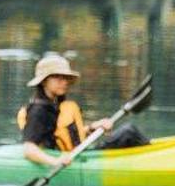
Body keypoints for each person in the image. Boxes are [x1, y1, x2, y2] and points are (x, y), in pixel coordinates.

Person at [18, 53, 148, 169]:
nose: (64, 82)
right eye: (58, 77)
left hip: (78, 154)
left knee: (129, 133)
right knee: (128, 132)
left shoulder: (55, 105)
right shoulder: (38, 111)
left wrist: (92, 127)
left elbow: (64, 135)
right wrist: (55, 161)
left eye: (65, 78)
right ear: (44, 81)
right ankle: (152, 160)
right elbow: (29, 149)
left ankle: (149, 157)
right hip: (71, 159)